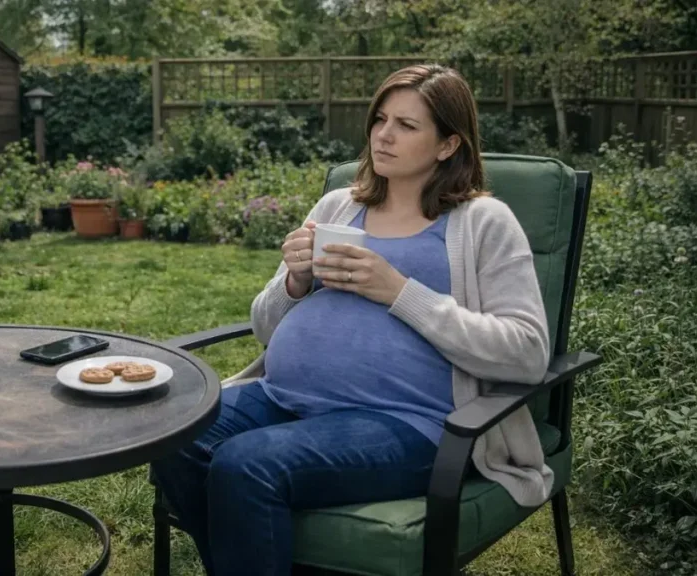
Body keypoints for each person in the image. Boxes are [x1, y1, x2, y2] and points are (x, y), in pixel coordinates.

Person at [150, 63, 553, 576]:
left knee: (246, 464)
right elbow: (266, 327)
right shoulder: (338, 207)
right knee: (173, 432)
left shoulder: (482, 222)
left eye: (406, 125)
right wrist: (295, 282)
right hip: (284, 397)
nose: (383, 135)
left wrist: (399, 291)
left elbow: (527, 351)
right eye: (380, 119)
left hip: (409, 423)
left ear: (448, 144)